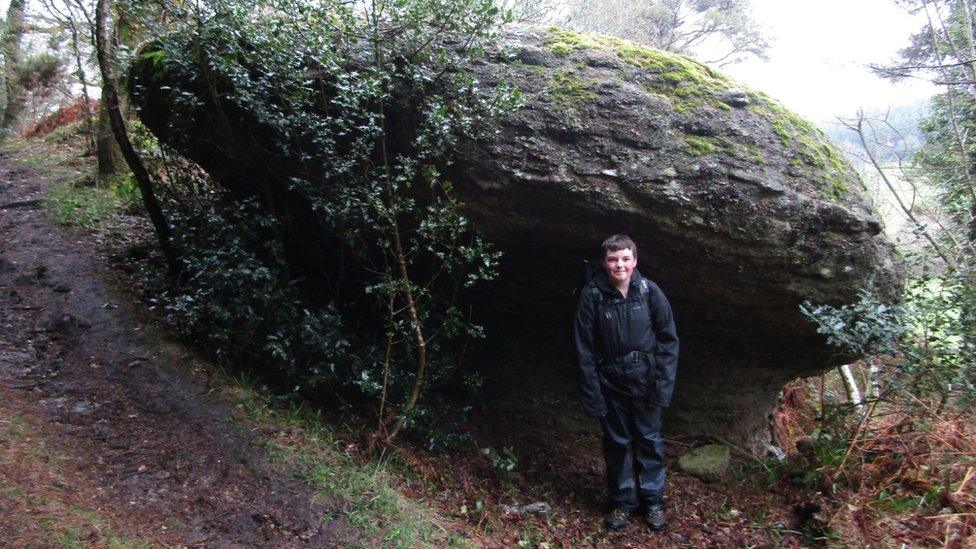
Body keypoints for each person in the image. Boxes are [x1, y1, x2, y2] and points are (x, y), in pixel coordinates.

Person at [573, 234, 679, 532]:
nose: (619, 265)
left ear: (635, 261)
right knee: (617, 443)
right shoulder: (592, 295)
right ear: (604, 263)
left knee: (649, 440)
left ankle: (653, 503)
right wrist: (593, 395)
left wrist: (662, 387)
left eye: (625, 259)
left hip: (645, 380)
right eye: (612, 259)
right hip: (610, 382)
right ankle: (623, 502)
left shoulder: (649, 291)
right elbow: (583, 347)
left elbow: (669, 341)